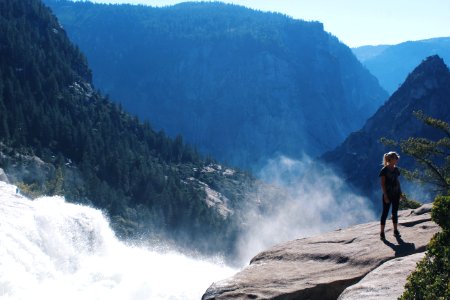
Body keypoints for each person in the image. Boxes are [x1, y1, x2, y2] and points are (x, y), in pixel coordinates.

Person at [379, 151, 403, 239]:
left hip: (396, 194)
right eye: (396, 158)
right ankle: (382, 232)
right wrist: (385, 195)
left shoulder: (396, 169)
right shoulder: (384, 170)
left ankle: (395, 230)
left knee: (394, 212)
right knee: (385, 213)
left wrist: (400, 193)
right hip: (388, 194)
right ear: (391, 159)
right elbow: (382, 184)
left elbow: (397, 181)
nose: (397, 159)